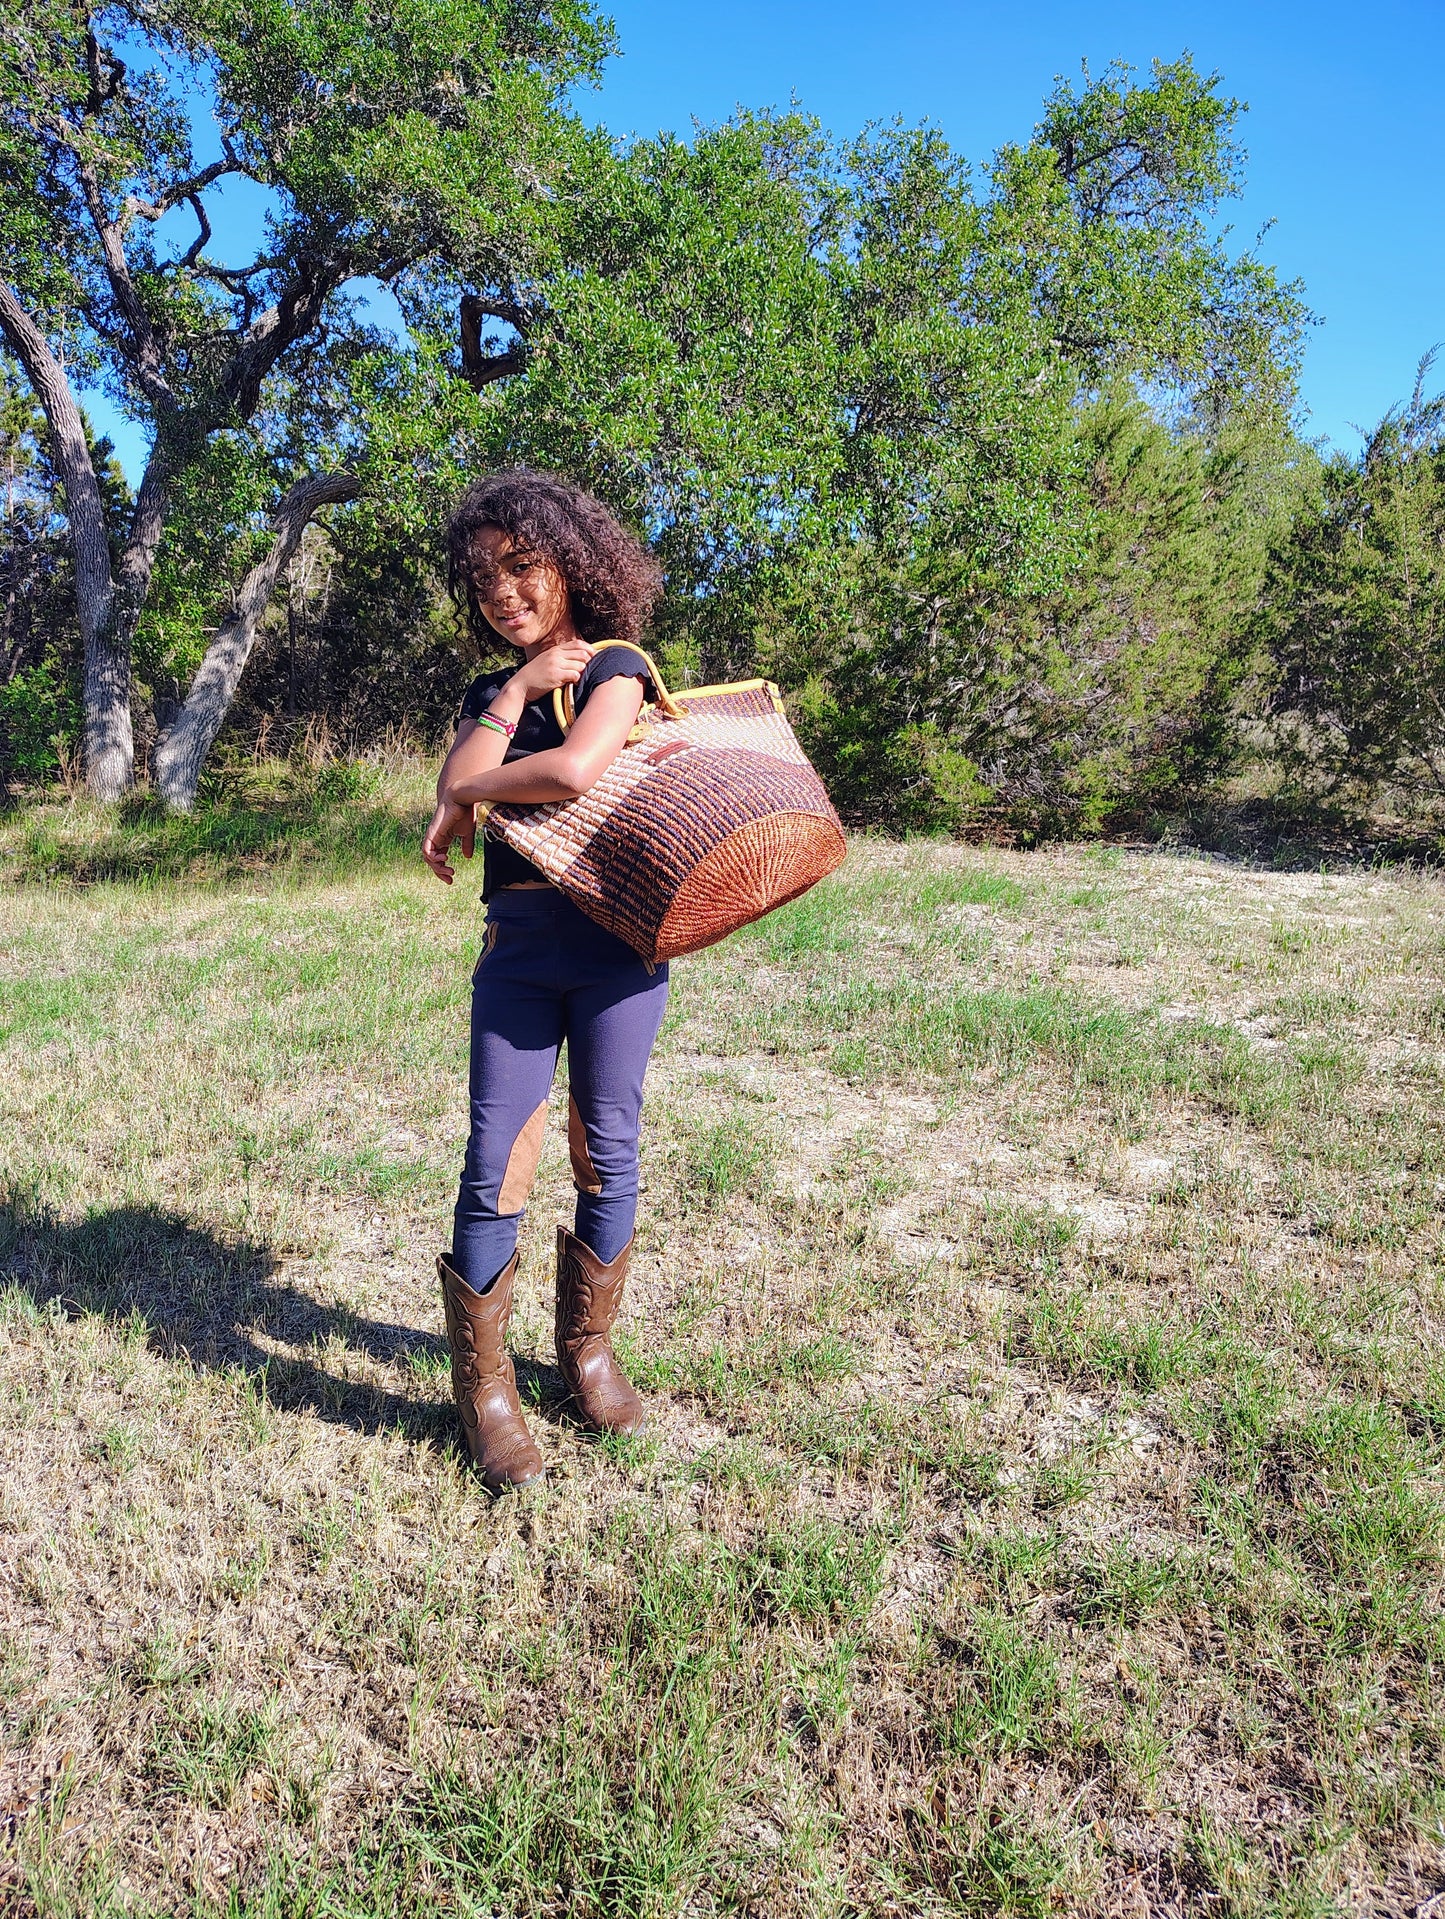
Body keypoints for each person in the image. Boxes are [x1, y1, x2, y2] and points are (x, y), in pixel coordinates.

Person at [421, 471, 667, 1491]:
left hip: (618, 950)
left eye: (523, 567)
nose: (506, 593)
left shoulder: (617, 663)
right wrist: (516, 690)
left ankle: (585, 1351)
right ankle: (485, 1391)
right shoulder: (491, 691)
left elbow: (570, 771)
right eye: (485, 580)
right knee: (497, 1158)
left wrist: (465, 792)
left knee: (604, 1146)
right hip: (517, 949)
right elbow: (459, 769)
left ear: (572, 561)